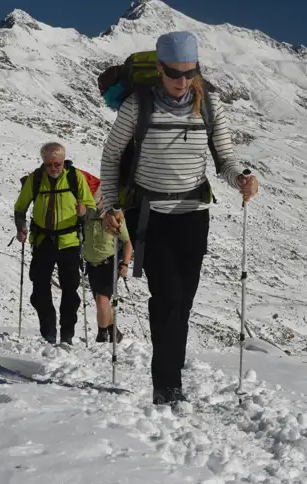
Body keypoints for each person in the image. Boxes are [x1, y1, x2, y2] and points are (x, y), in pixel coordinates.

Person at [99, 31, 259, 405]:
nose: (182, 81)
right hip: (149, 215)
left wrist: (242, 180)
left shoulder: (209, 106)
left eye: (190, 73)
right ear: (159, 68)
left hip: (193, 216)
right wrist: (110, 206)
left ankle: (170, 371)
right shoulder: (137, 106)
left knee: (183, 303)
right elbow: (111, 157)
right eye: (174, 73)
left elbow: (225, 159)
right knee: (167, 298)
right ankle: (167, 386)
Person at [14, 142, 96, 344]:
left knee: (70, 290)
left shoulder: (75, 178)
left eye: (57, 163)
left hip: (69, 241)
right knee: (39, 288)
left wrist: (84, 211)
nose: (53, 168)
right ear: (43, 161)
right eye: (49, 163)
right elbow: (20, 208)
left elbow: (91, 207)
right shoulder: (36, 179)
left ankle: (67, 334)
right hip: (43, 241)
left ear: (63, 160)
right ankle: (48, 331)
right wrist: (21, 227)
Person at [83, 188, 133, 343]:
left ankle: (102, 335)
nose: (93, 205)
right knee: (102, 303)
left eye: (95, 201)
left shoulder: (114, 217)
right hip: (92, 265)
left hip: (109, 263)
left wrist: (124, 264)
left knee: (102, 300)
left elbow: (127, 242)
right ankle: (114, 332)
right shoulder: (87, 216)